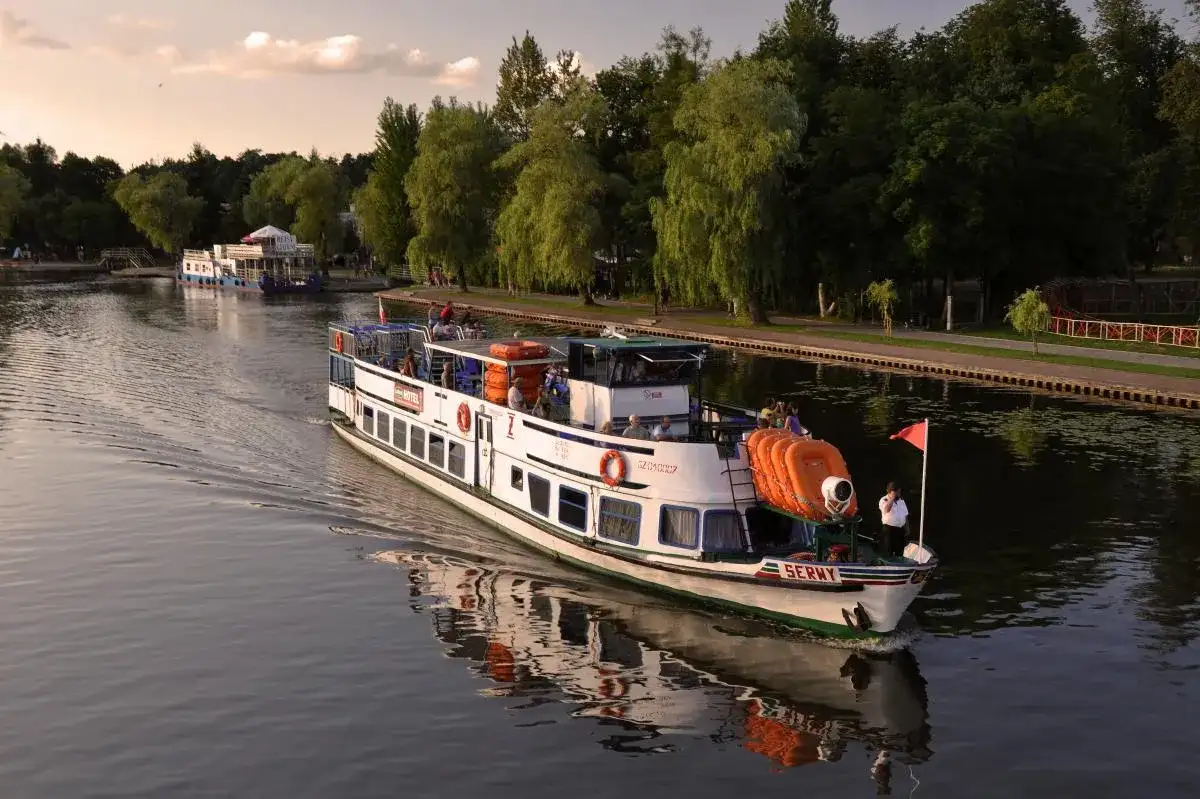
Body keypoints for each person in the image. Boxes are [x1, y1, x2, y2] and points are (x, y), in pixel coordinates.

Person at [878, 481, 909, 557]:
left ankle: (899, 564)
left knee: (900, 550)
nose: (899, 493)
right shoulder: (884, 500)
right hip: (889, 529)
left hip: (900, 529)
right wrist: (891, 498)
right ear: (892, 491)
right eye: (897, 492)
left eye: (899, 491)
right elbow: (886, 510)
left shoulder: (901, 500)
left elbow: (905, 514)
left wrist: (907, 527)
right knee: (889, 550)